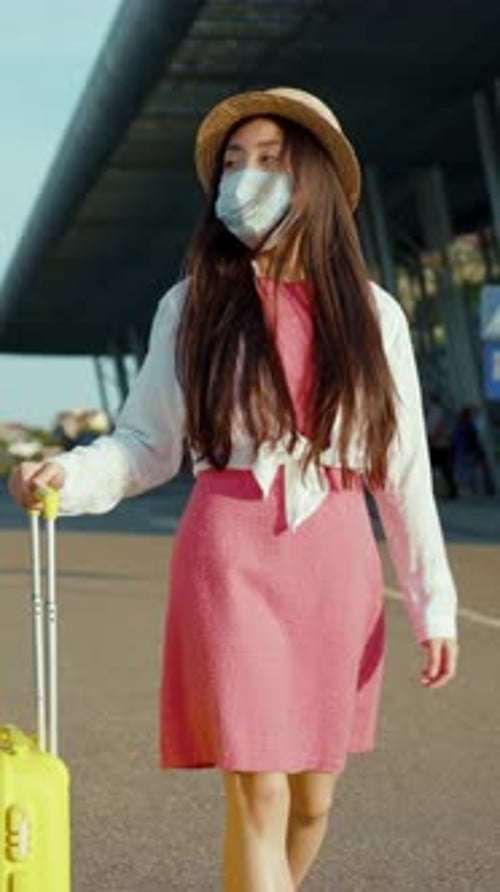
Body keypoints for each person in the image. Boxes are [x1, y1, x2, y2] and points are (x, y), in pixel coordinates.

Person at [8, 87, 459, 891]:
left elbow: (404, 471)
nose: (245, 176)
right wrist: (67, 475)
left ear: (314, 180)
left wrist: (434, 607)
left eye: (270, 160)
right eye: (233, 162)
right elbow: (146, 442)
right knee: (258, 790)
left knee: (312, 803)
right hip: (229, 557)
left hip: (335, 560)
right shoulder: (192, 305)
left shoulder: (375, 314)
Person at [426, 391, 458, 498]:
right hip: (443, 444)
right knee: (445, 468)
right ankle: (449, 490)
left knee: (441, 468)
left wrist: (431, 437)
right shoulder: (442, 411)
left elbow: (436, 427)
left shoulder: (436, 411)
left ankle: (447, 490)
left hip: (438, 444)